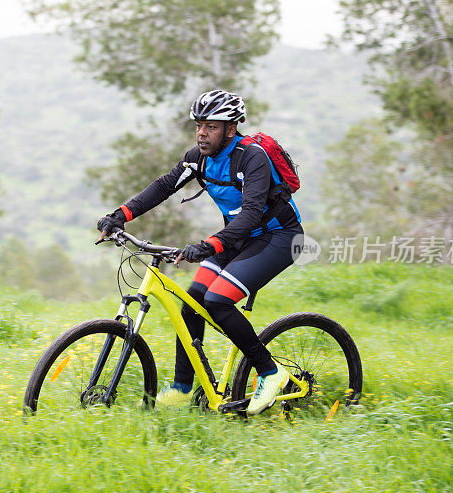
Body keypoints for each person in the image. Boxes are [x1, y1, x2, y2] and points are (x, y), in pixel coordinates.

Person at [96, 89, 303, 415]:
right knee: (192, 301)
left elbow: (250, 215)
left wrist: (207, 246)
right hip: (236, 239)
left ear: (230, 129)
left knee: (218, 301)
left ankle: (271, 372)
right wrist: (120, 215)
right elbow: (164, 186)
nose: (202, 133)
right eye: (199, 126)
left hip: (278, 238)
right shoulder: (199, 158)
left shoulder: (252, 158)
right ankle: (182, 386)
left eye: (211, 126)